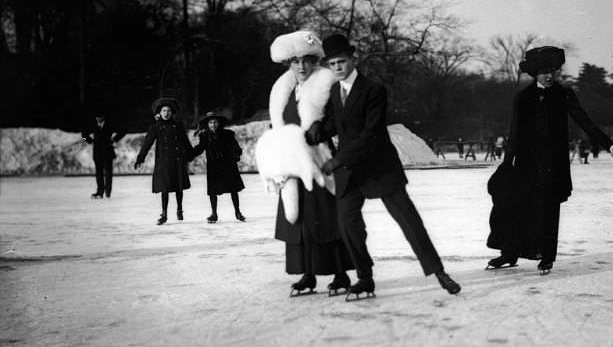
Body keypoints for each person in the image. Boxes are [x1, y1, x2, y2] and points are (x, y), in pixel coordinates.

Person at [306, 33, 461, 300]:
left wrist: (338, 160)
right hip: (352, 173)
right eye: (332, 64)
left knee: (410, 223)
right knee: (346, 223)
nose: (337, 68)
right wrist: (315, 131)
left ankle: (439, 273)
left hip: (380, 168)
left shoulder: (373, 90)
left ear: (353, 59)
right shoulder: (335, 91)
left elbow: (371, 134)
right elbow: (338, 124)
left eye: (341, 62)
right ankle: (365, 278)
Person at [486, 46, 613, 274]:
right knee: (517, 209)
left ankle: (547, 256)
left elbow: (585, 121)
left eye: (552, 70)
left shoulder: (563, 94)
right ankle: (509, 253)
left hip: (553, 166)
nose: (549, 75)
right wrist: (507, 163)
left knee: (548, 211)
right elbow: (514, 132)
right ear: (535, 73)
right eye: (544, 71)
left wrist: (608, 143)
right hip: (525, 164)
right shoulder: (523, 97)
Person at [256, 30, 352, 297]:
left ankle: (340, 274)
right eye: (295, 61)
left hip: (319, 159)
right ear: (288, 62)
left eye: (307, 60)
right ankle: (307, 274)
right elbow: (279, 123)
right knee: (298, 222)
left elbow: (341, 120)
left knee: (327, 218)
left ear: (315, 60)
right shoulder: (282, 89)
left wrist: (323, 128)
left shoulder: (328, 83)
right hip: (290, 162)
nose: (301, 66)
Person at [134, 97, 194, 225]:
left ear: (172, 113)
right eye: (164, 111)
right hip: (164, 162)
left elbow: (185, 142)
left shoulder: (178, 126)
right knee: (165, 188)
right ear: (159, 113)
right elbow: (147, 143)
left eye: (168, 111)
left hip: (177, 160)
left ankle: (179, 209)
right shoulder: (156, 127)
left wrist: (190, 154)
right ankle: (164, 213)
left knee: (179, 187)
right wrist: (140, 158)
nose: (166, 113)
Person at [192, 110, 246, 223]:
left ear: (219, 123)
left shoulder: (228, 134)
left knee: (233, 189)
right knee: (212, 191)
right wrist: (189, 153)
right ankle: (214, 213)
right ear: (207, 124)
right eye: (211, 123)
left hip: (228, 165)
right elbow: (200, 148)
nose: (213, 125)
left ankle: (238, 212)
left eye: (215, 122)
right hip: (213, 166)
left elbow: (236, 147)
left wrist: (236, 154)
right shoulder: (205, 136)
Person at [81, 111, 125, 198]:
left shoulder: (109, 125)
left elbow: (123, 131)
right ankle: (100, 192)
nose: (98, 119)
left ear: (103, 118)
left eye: (99, 117)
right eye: (97, 117)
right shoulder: (94, 125)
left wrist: (114, 139)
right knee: (99, 173)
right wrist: (89, 140)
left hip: (108, 152)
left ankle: (108, 192)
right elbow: (83, 134)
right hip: (97, 153)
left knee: (108, 173)